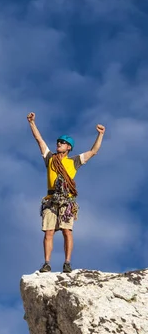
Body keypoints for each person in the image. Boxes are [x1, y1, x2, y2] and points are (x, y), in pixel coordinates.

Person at [27, 112, 105, 273]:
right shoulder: (50, 158)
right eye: (58, 142)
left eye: (62, 143)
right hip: (50, 199)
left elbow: (93, 151)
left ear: (68, 147)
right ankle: (47, 263)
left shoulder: (74, 161)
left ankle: (67, 262)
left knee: (66, 231)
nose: (59, 144)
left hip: (67, 200)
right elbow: (39, 140)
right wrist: (32, 123)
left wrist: (100, 134)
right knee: (48, 232)